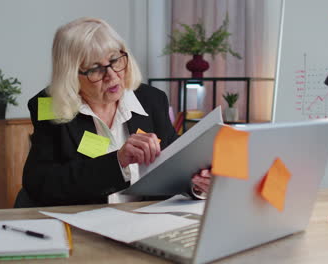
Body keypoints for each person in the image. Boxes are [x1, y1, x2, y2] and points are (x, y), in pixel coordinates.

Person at [19, 17, 210, 207]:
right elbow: (40, 184)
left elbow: (174, 165)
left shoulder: (152, 100)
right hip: (85, 222)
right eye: (95, 69)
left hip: (146, 220)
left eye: (114, 60)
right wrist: (117, 162)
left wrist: (196, 184)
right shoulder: (50, 105)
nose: (111, 76)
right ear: (71, 75)